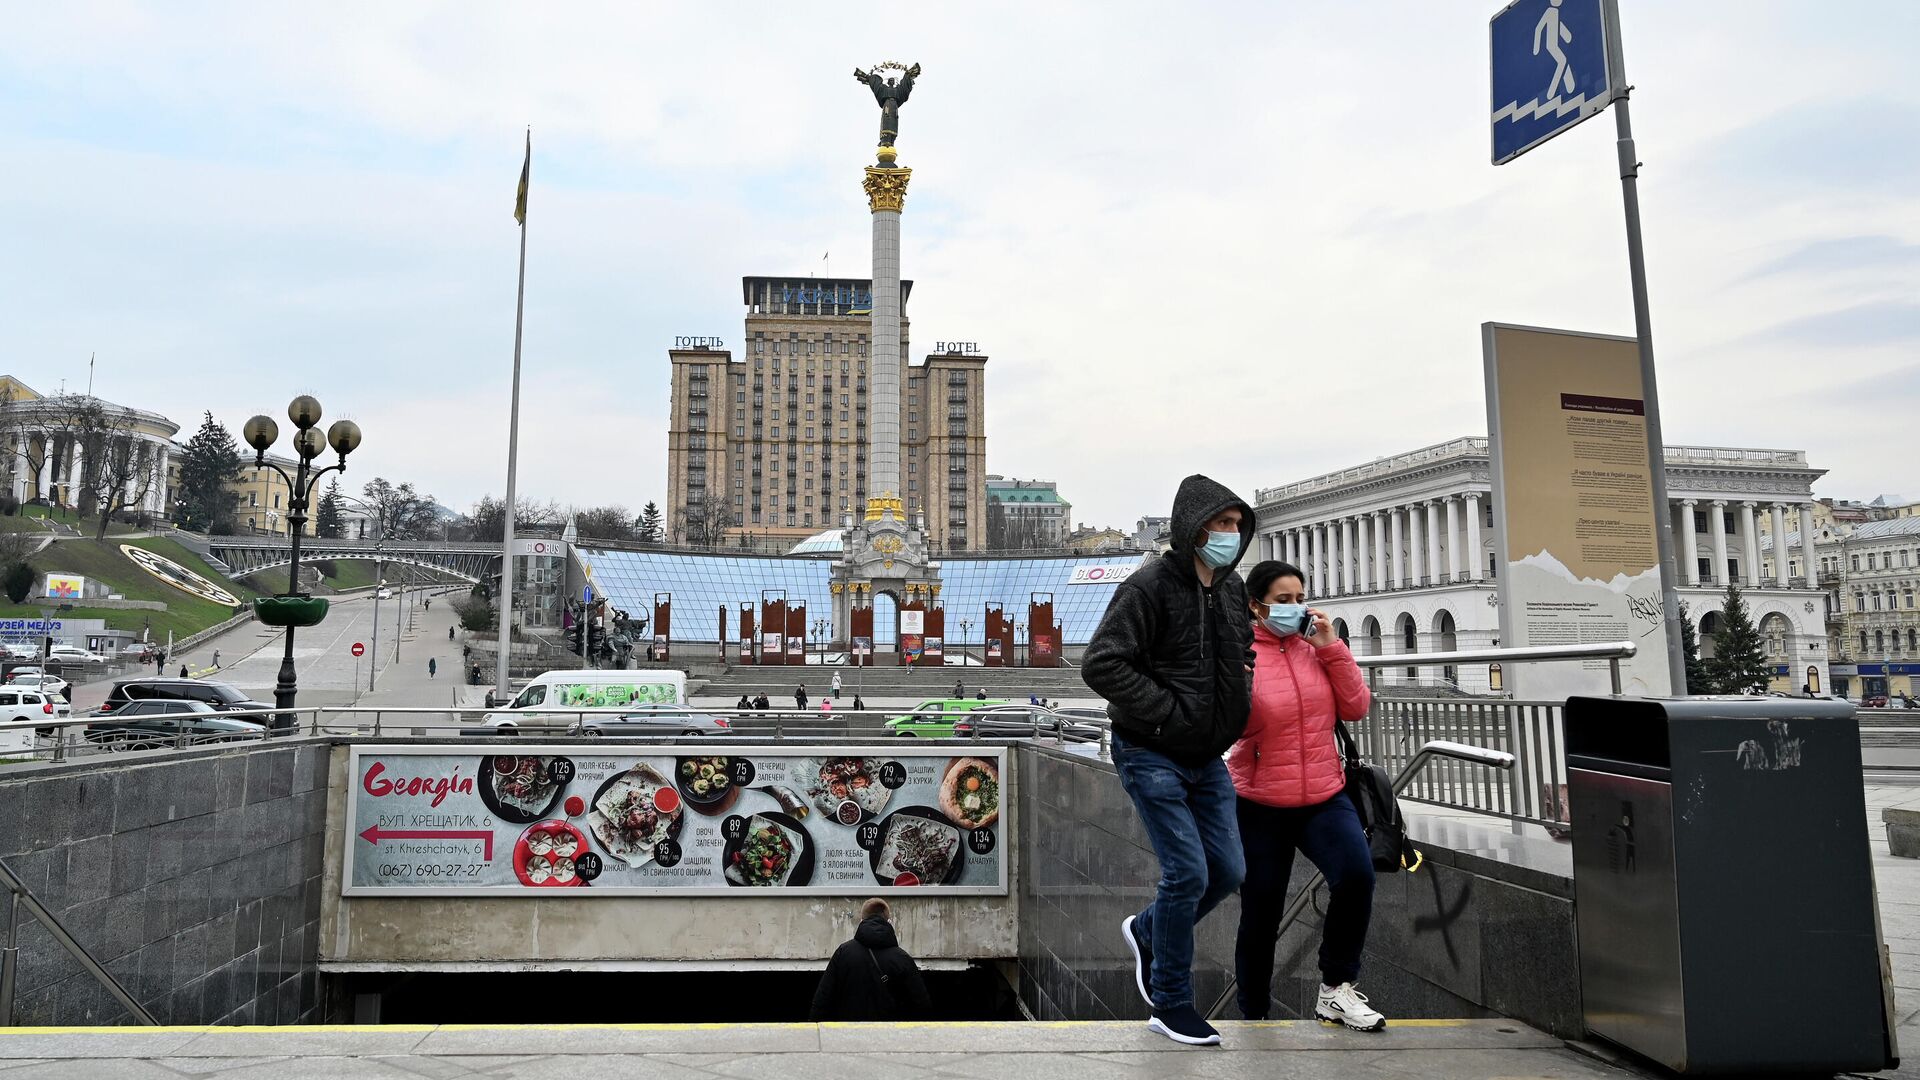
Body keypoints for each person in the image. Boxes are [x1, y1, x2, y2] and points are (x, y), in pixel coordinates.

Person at [1084, 474, 1255, 1047]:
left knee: (1228, 870)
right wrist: (1168, 713)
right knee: (1187, 873)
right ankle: (1171, 1001)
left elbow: (1240, 656)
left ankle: (1148, 931)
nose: (1231, 535)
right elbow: (1102, 663)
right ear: (1193, 528)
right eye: (1221, 525)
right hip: (1151, 750)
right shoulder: (1149, 586)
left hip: (1207, 757)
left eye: (1237, 525)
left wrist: (1233, 709)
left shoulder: (1230, 590)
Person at [1229, 560, 1383, 1031]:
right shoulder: (1239, 654)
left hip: (1323, 793)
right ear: (1256, 606)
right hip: (1260, 800)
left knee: (1356, 876)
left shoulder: (1318, 649)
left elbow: (1356, 707)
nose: (1294, 608)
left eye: (1300, 599)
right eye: (1282, 600)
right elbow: (1232, 727)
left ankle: (1336, 989)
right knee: (1261, 911)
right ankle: (1254, 1014)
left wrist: (1332, 648)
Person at [809, 898, 932, 1021]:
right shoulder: (902, 959)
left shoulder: (843, 953)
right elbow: (921, 1005)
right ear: (889, 922)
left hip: (849, 1034)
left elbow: (823, 999)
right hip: (890, 1035)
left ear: (862, 921)